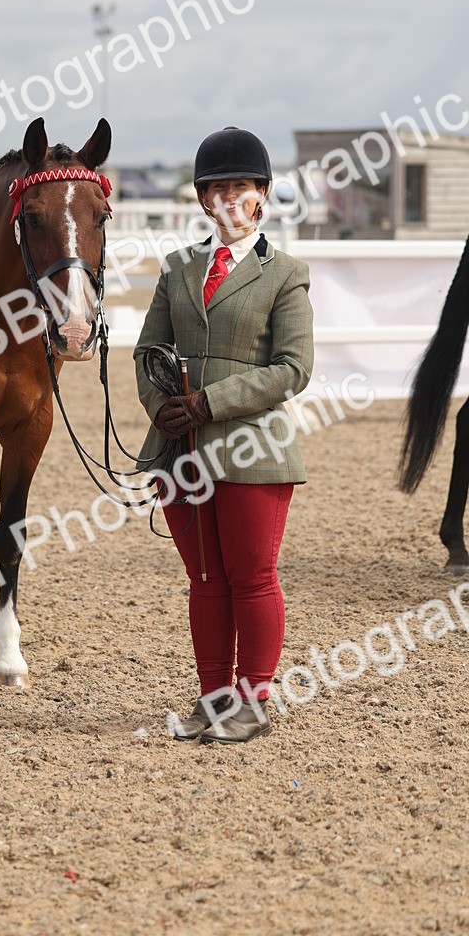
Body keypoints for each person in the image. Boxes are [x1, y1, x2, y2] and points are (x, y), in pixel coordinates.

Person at [134, 126, 314, 744]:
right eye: (216, 188)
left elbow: (293, 367)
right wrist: (161, 407)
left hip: (251, 447)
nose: (228, 198)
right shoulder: (178, 268)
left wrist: (210, 402)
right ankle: (212, 699)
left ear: (262, 195)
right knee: (205, 580)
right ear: (203, 199)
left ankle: (254, 702)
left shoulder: (285, 272)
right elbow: (148, 349)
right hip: (179, 446)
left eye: (240, 187)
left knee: (252, 577)